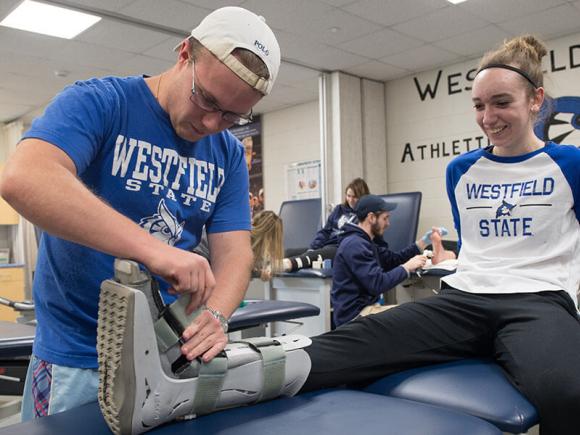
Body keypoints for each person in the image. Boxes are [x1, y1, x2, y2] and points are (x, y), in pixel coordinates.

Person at [0, 6, 281, 419]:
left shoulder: (229, 155)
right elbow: (24, 178)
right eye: (206, 99)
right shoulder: (102, 102)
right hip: (76, 359)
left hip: (165, 358)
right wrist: (153, 250)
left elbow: (236, 253)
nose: (210, 122)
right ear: (185, 53)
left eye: (231, 116)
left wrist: (217, 315)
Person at [300, 35, 580, 435]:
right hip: (464, 299)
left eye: (502, 102)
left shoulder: (570, 163)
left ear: (535, 100)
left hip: (537, 300)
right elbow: (475, 249)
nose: (488, 117)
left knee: (569, 394)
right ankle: (231, 380)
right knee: (346, 344)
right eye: (479, 105)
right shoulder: (461, 171)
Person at [331, 194, 455, 327]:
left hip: (364, 310)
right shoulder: (355, 245)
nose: (388, 223)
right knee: (416, 316)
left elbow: (393, 260)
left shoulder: (365, 242)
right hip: (354, 317)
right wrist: (407, 267)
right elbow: (378, 283)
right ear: (371, 217)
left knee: (415, 312)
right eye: (385, 218)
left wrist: (422, 243)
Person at [283, 177, 369, 272]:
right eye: (348, 196)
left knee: (313, 255)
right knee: (288, 252)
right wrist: (313, 248)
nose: (351, 200)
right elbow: (325, 232)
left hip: (341, 250)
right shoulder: (339, 209)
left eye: (355, 197)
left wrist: (313, 252)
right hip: (326, 247)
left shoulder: (365, 215)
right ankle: (269, 264)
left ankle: (287, 264)